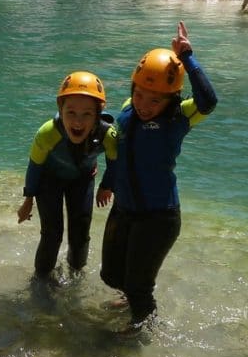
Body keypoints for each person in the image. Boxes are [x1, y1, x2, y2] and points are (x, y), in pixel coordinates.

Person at [100, 21, 217, 332]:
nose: (145, 105)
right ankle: (132, 302)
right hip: (124, 210)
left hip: (158, 217)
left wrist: (188, 57)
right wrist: (106, 183)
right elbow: (115, 150)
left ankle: (142, 330)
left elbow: (209, 100)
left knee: (139, 286)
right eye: (140, 95)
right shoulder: (127, 112)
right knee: (111, 276)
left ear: (170, 100)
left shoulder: (178, 118)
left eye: (155, 100)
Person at [17, 71, 116, 280]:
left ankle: (76, 274)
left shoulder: (106, 134)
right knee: (52, 235)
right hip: (48, 181)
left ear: (98, 114)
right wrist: (28, 200)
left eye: (87, 114)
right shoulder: (48, 133)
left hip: (82, 179)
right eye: (71, 113)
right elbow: (34, 167)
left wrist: (106, 185)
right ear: (60, 110)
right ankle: (41, 280)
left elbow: (115, 162)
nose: (78, 122)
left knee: (80, 234)